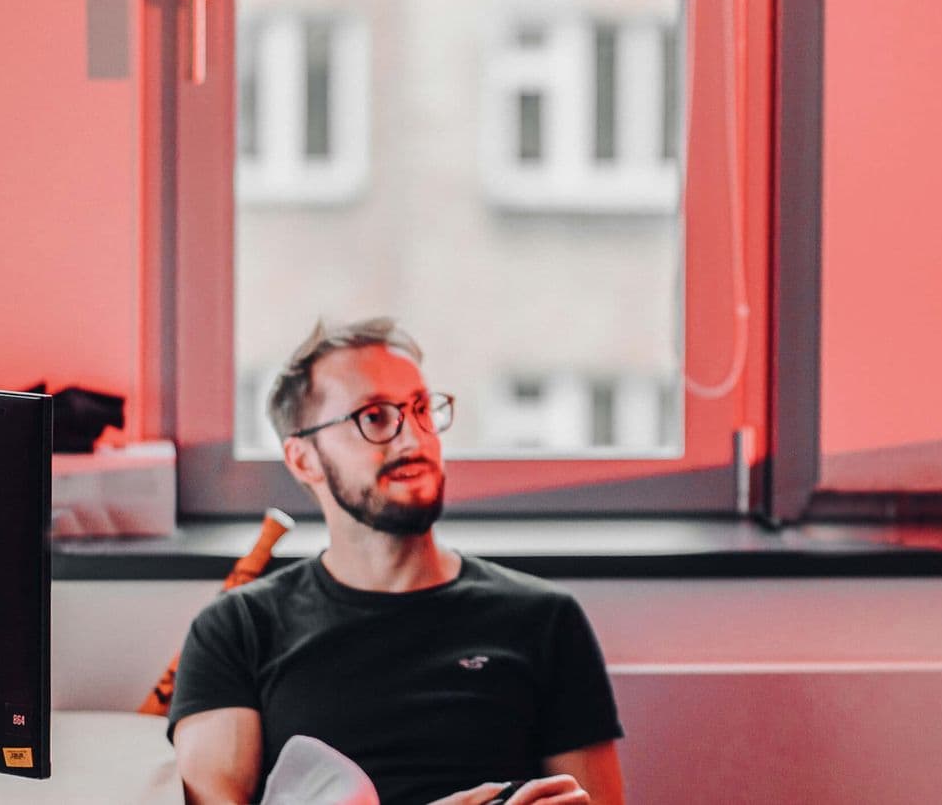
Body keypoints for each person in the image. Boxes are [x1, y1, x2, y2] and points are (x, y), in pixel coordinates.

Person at [170, 318, 626, 805]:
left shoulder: (545, 618)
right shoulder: (237, 629)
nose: (413, 439)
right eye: (374, 417)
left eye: (422, 409)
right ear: (303, 458)